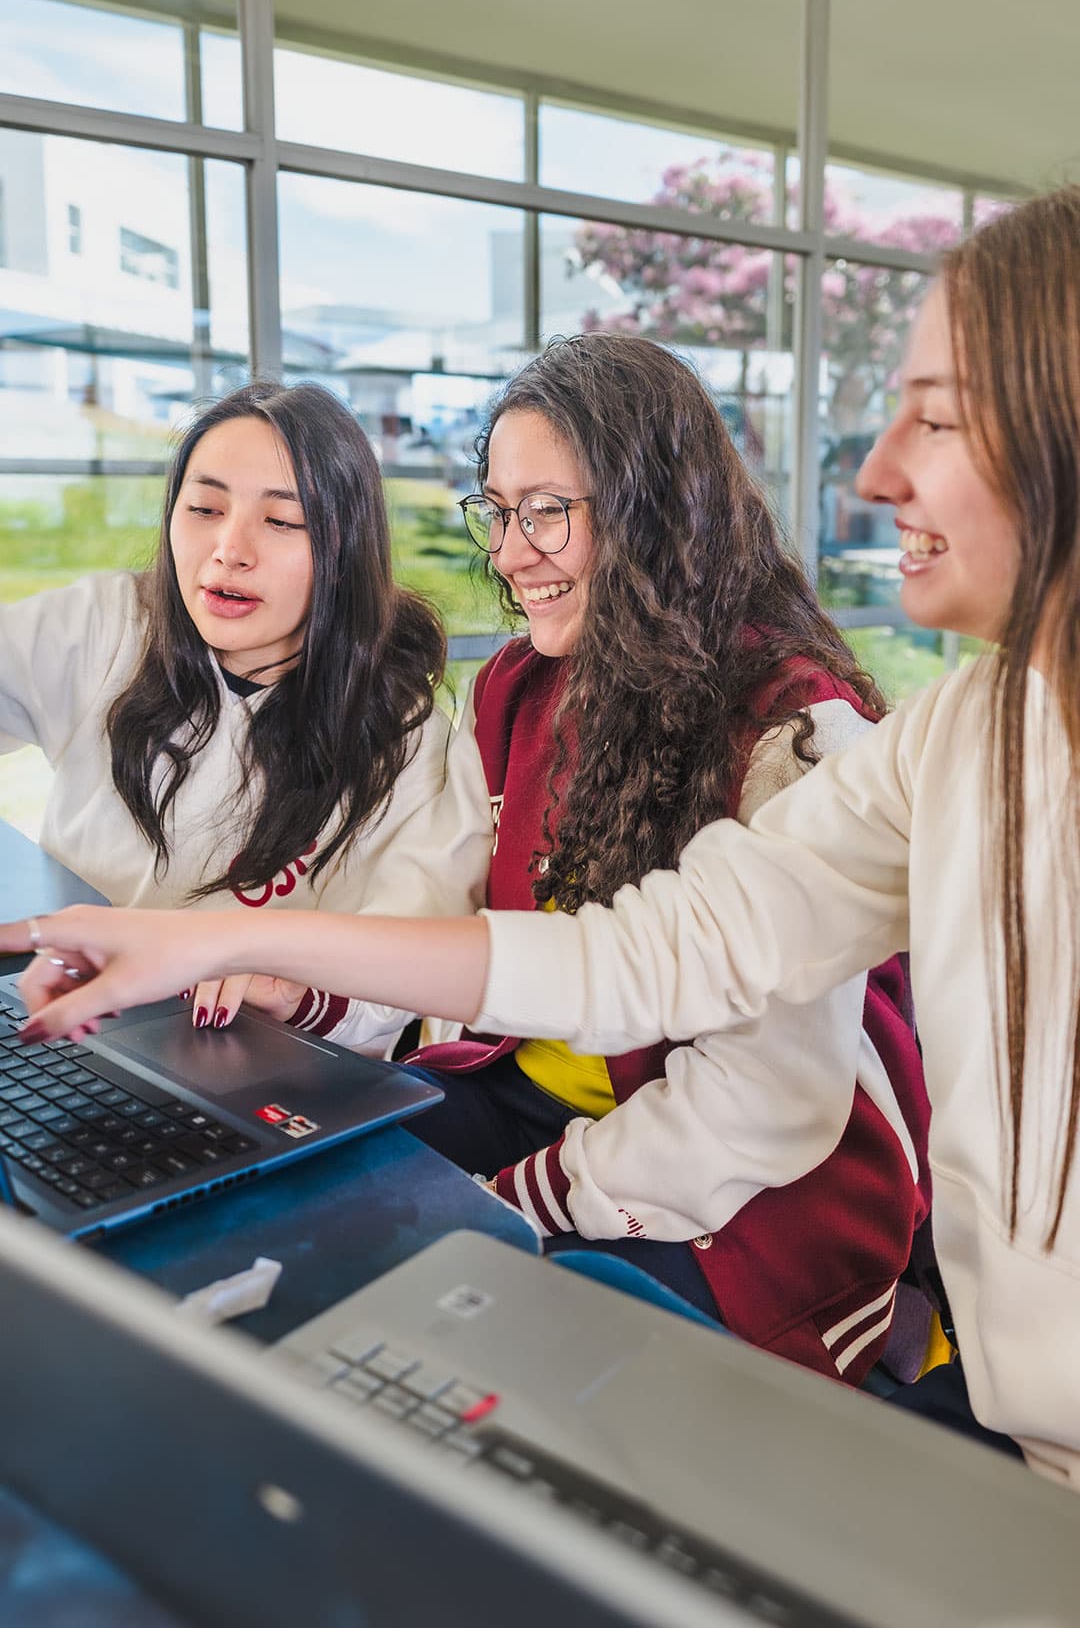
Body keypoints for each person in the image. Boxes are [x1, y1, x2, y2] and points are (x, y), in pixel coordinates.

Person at [12, 339, 931, 1381]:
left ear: (655, 513)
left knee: (424, 1351)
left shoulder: (793, 736)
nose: (508, 552)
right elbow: (481, 955)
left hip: (739, 1185)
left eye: (548, 511)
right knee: (250, 1199)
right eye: (497, 511)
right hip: (529, 1094)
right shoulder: (517, 689)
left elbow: (762, 1104)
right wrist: (292, 987)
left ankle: (880, 1327)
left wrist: (518, 1201)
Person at [0, 379, 457, 1050]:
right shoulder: (109, 625)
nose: (230, 549)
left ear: (344, 550)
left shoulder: (407, 736)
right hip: (69, 1025)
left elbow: (417, 966)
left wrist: (288, 987)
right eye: (205, 508)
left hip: (265, 1068)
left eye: (281, 521)